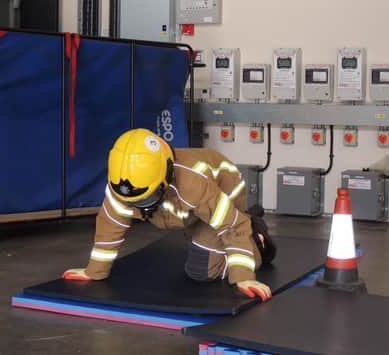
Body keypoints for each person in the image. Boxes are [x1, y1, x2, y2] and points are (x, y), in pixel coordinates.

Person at [63, 128, 276, 302]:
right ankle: (219, 226)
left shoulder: (193, 185)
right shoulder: (123, 185)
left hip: (224, 186)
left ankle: (256, 239)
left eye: (145, 200)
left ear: (166, 176)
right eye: (132, 202)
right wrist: (94, 271)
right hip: (190, 207)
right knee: (196, 231)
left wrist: (243, 277)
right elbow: (110, 227)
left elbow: (232, 227)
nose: (138, 206)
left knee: (202, 271)